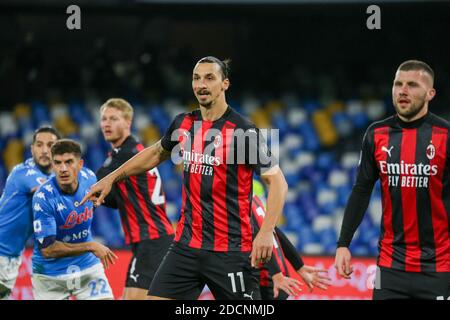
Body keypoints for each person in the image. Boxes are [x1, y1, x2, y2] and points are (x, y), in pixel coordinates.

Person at [81, 56, 288, 300]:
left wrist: (265, 233)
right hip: (186, 246)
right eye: (196, 78)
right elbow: (157, 152)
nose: (201, 84)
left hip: (229, 250)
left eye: (210, 78)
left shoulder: (242, 131)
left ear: (225, 84)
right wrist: (112, 178)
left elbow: (278, 183)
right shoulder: (184, 124)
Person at [335, 60, 450, 299]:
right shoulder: (376, 134)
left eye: (412, 85)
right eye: (398, 84)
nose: (403, 90)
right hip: (389, 266)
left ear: (430, 93)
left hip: (439, 266)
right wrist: (343, 243)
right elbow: (361, 190)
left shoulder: (445, 136)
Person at [97, 98, 174, 300]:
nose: (106, 123)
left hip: (152, 239)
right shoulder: (133, 153)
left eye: (113, 118)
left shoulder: (126, 156)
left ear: (128, 123)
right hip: (152, 239)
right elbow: (115, 199)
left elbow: (96, 182)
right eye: (104, 119)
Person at [31, 139, 117, 300]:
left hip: (87, 266)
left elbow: (94, 203)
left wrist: (98, 202)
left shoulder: (90, 179)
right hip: (50, 276)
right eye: (57, 163)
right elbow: (48, 250)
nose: (63, 169)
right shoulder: (43, 197)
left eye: (69, 162)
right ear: (52, 165)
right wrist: (90, 246)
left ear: (80, 164)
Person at [0, 126, 60, 300]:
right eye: (39, 145)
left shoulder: (52, 176)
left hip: (11, 256)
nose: (44, 150)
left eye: (50, 145)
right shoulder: (24, 172)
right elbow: (47, 192)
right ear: (32, 149)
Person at [251, 180, 331, 300]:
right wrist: (299, 266)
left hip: (267, 281)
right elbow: (271, 230)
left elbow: (263, 235)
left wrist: (276, 274)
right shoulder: (252, 197)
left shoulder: (239, 201)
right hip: (277, 277)